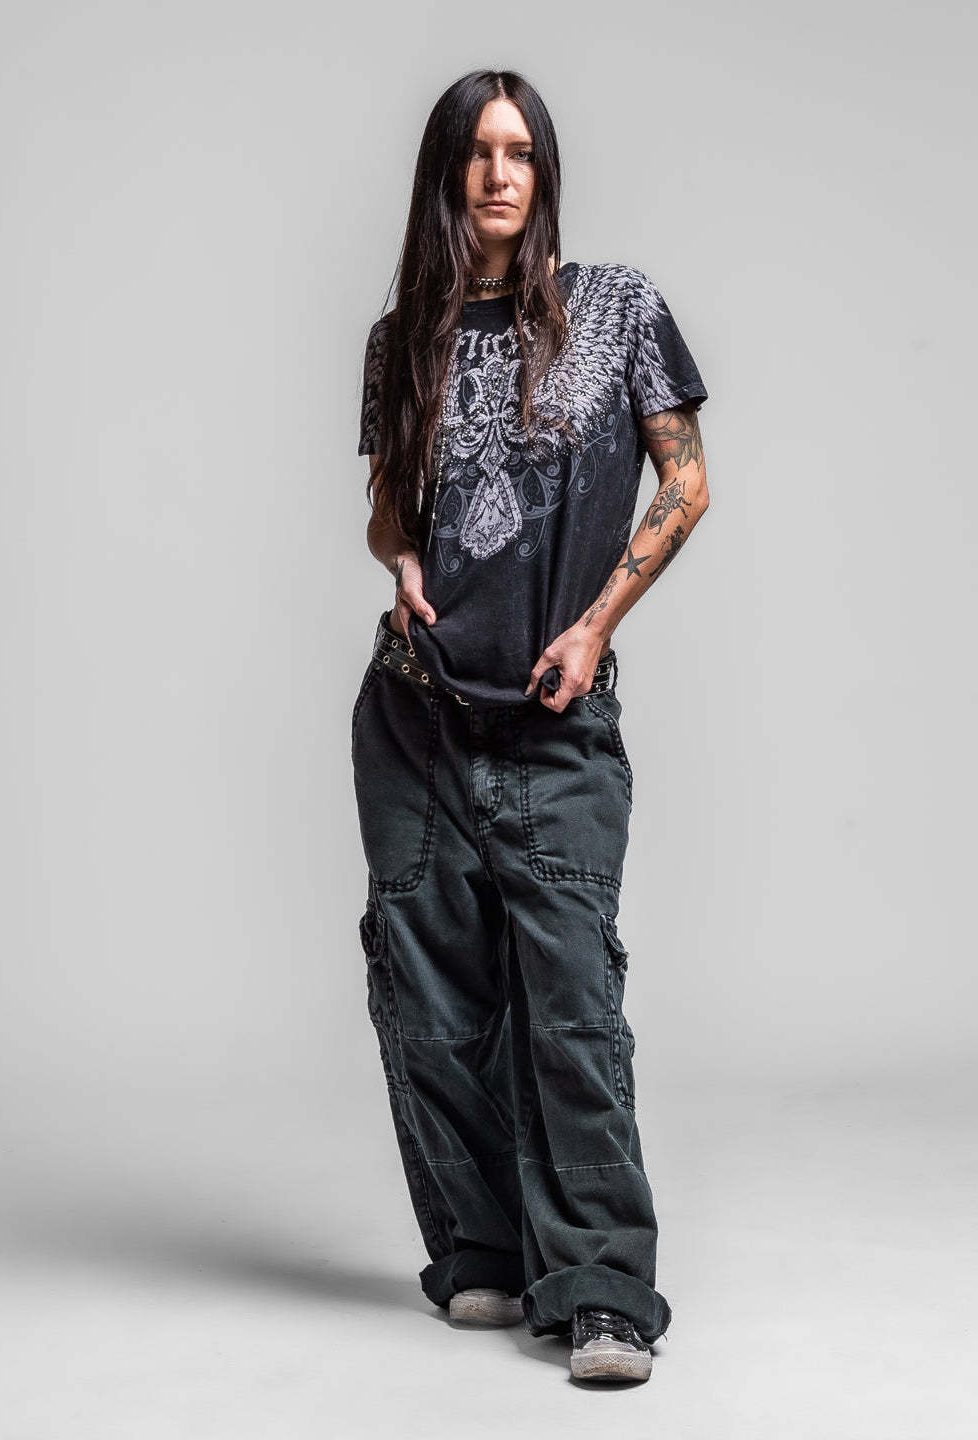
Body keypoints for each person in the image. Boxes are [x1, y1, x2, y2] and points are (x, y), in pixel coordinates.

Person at [350, 68, 709, 1384]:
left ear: (545, 171)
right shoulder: (403, 340)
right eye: (478, 152)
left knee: (569, 1012)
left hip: (554, 725)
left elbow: (686, 481)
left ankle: (604, 1289)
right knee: (430, 1005)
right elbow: (392, 515)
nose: (502, 174)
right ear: (446, 173)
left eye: (523, 152)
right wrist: (400, 563)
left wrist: (597, 623)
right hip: (417, 718)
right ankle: (484, 1250)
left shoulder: (616, 310)